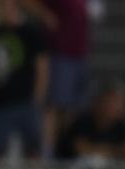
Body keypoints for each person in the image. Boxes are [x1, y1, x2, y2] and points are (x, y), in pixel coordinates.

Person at [20, 0, 91, 157]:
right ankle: (47, 153)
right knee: (53, 106)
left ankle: (66, 152)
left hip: (79, 53)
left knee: (73, 108)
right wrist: (44, 14)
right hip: (60, 53)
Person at [0, 0, 49, 159]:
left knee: (33, 151)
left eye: (6, 6)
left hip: (25, 101)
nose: (3, 10)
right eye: (0, 7)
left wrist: (38, 98)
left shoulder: (31, 33)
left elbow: (42, 67)